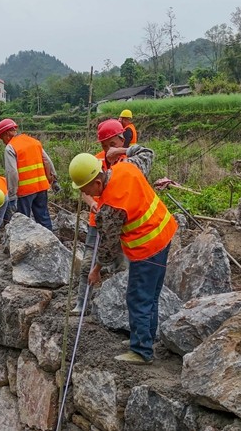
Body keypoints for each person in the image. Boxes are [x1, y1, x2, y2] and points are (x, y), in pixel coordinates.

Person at [68, 144, 177, 365]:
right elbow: (147, 152)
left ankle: (141, 351)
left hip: (147, 249)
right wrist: (121, 150)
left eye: (87, 190)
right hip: (164, 233)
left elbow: (108, 248)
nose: (86, 194)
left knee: (138, 298)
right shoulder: (126, 167)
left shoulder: (110, 208)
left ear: (97, 182)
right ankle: (144, 338)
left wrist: (96, 270)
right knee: (151, 296)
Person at [72, 119, 129, 315]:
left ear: (122, 140)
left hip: (122, 223)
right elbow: (84, 189)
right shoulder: (95, 162)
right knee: (88, 264)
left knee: (121, 265)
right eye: (105, 145)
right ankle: (82, 303)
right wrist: (93, 204)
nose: (108, 149)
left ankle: (120, 309)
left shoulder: (128, 162)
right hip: (96, 222)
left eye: (112, 144)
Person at [0, 118, 59, 230]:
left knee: (23, 222)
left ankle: (24, 245)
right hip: (41, 188)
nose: (3, 141)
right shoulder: (34, 141)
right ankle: (49, 242)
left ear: (6, 134)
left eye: (2, 138)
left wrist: (12, 195)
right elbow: (47, 161)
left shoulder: (10, 147)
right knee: (44, 218)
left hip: (25, 192)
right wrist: (54, 180)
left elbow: (12, 172)